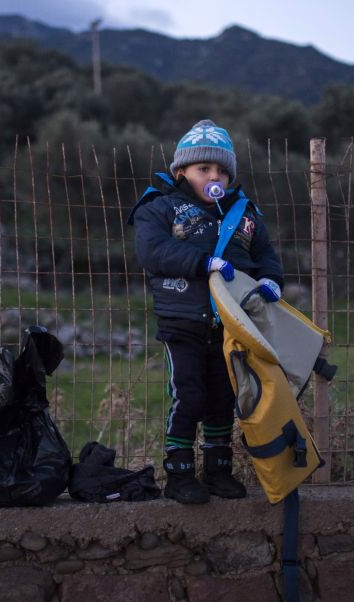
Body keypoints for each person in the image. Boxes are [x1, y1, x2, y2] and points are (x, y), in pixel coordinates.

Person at [129, 119, 285, 504]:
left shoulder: (245, 213)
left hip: (232, 325)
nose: (213, 176)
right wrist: (204, 262)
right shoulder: (159, 207)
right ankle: (179, 473)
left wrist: (270, 280)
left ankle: (218, 470)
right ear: (181, 171)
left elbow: (264, 254)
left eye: (220, 171)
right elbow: (153, 252)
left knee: (222, 397)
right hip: (181, 321)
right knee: (189, 394)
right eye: (203, 169)